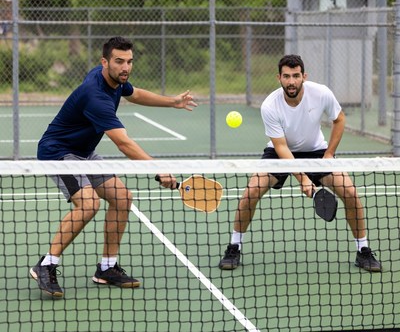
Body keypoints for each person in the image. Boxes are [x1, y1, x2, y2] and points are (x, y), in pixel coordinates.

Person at [30, 36, 197, 297]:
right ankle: (46, 264)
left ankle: (106, 268)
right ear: (104, 62)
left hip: (85, 152)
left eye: (129, 62)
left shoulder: (112, 79)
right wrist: (158, 169)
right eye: (119, 62)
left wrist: (172, 101)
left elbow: (135, 93)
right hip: (58, 152)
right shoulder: (95, 96)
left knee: (122, 198)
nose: (126, 68)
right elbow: (123, 143)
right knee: (89, 204)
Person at [218, 54, 381, 273]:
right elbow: (282, 148)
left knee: (350, 193)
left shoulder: (321, 93)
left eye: (296, 76)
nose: (292, 81)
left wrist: (329, 155)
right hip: (280, 152)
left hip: (317, 152)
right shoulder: (270, 105)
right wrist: (303, 178)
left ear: (304, 76)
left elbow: (339, 119)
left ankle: (363, 250)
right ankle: (234, 246)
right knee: (251, 192)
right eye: (287, 76)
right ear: (279, 78)